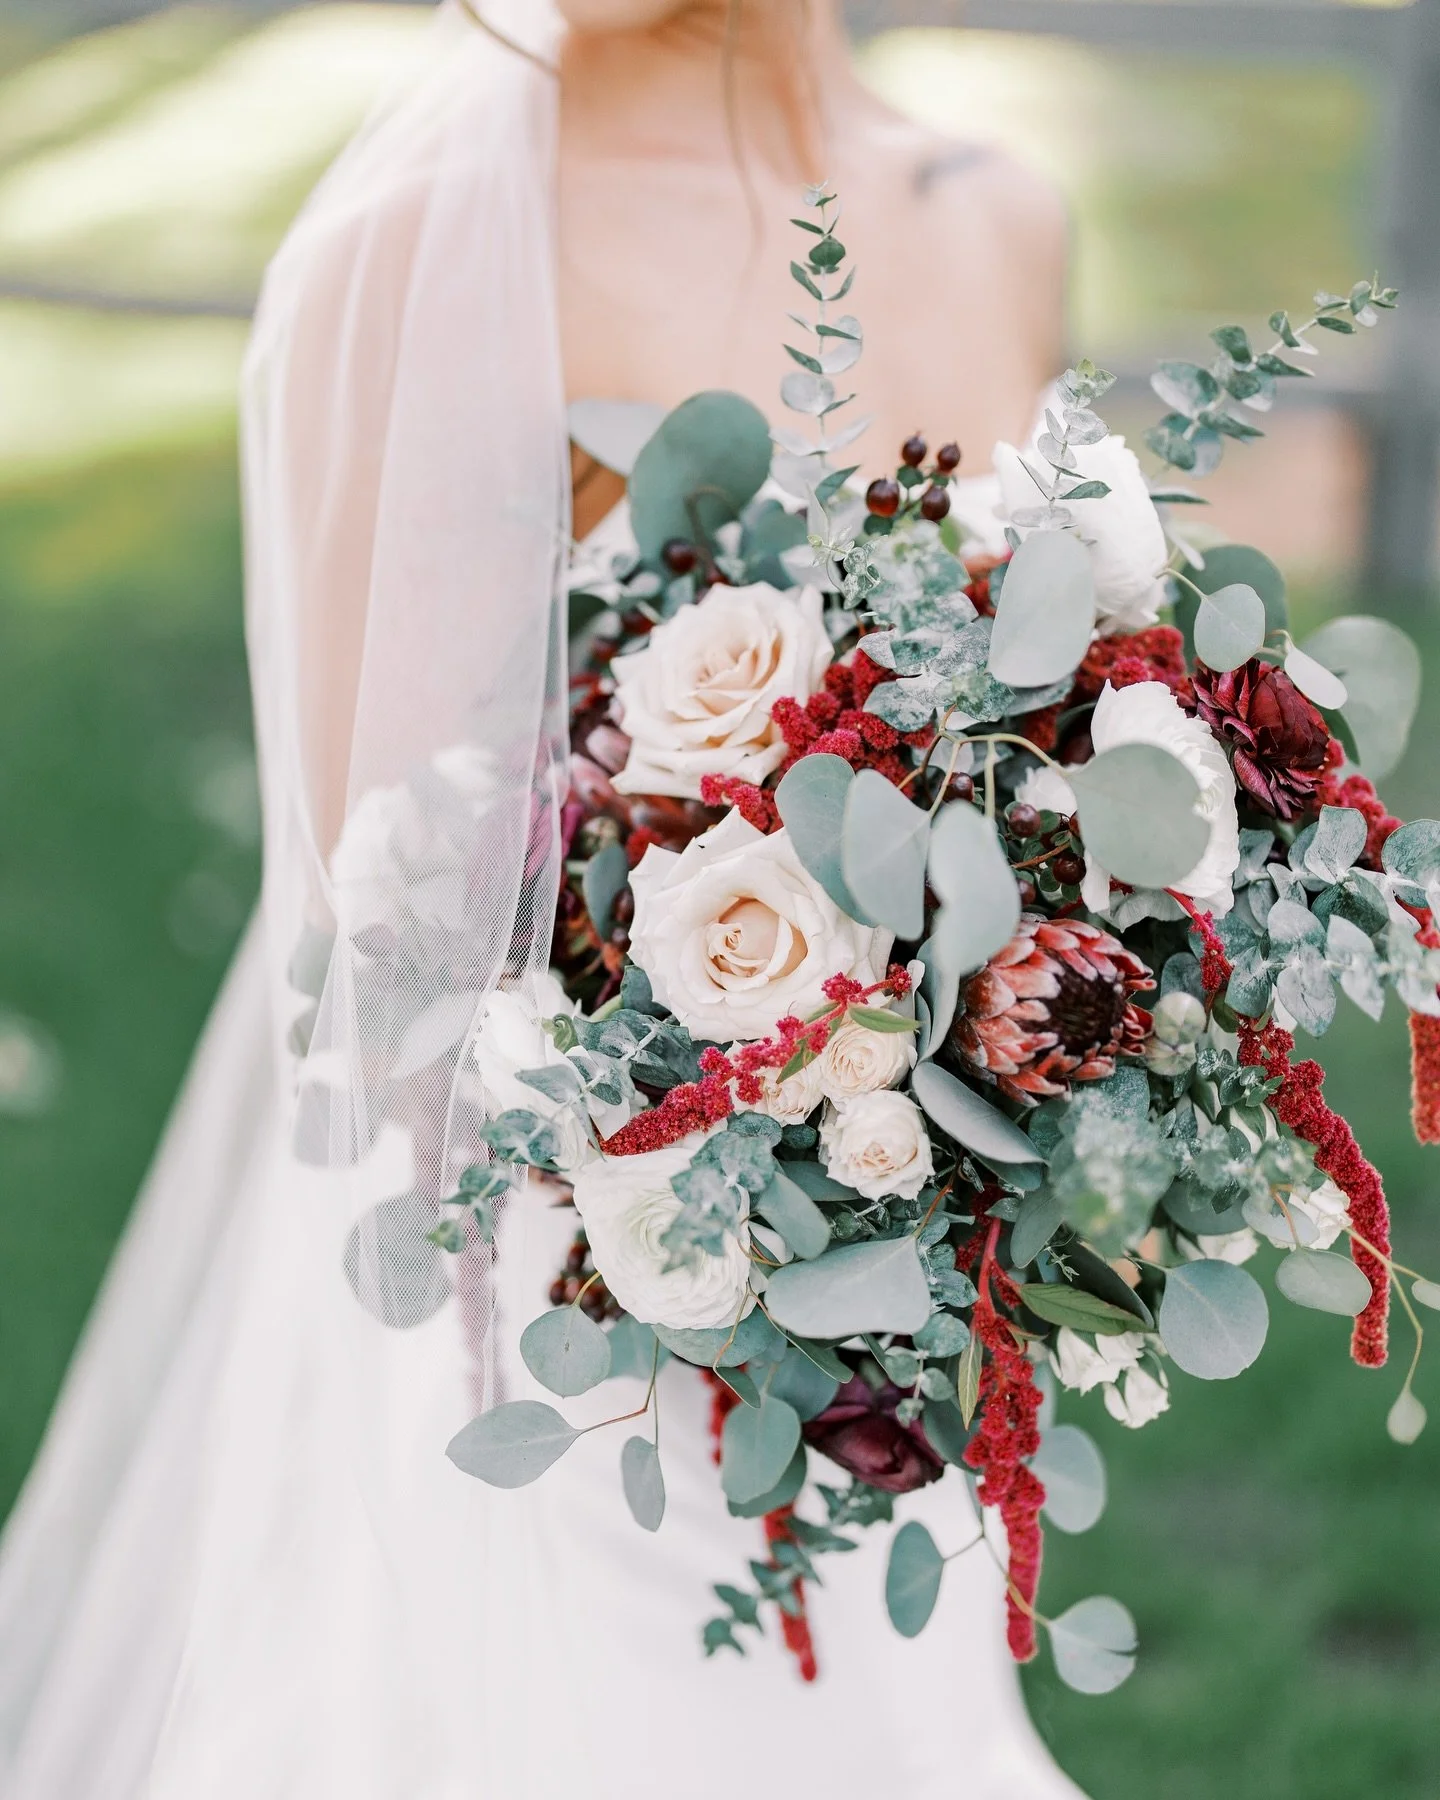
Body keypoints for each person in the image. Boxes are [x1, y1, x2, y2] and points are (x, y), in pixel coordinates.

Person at [0, 3, 1082, 1795]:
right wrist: (744, 1109)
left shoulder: (998, 207)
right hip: (585, 1300)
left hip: (918, 1263)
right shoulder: (420, 240)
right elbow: (390, 917)